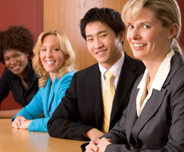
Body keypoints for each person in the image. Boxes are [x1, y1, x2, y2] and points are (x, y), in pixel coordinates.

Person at [83, 0, 184, 152]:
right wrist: (98, 144)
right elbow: (122, 130)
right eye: (131, 26)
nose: (133, 36)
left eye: (145, 26)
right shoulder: (142, 79)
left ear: (171, 31)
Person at [47, 8, 145, 140]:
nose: (97, 45)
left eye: (103, 36)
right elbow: (55, 122)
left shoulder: (144, 72)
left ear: (121, 35)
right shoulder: (80, 79)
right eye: (90, 39)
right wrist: (88, 132)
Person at [11, 30, 76, 132]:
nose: (48, 55)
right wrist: (18, 118)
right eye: (44, 49)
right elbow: (28, 111)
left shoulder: (69, 80)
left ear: (66, 55)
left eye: (55, 49)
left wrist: (28, 123)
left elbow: (59, 121)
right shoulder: (47, 84)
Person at [0, 26, 39, 119]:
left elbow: (40, 111)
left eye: (16, 55)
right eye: (7, 59)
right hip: (25, 126)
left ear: (27, 53)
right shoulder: (8, 73)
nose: (12, 62)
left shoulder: (40, 71)